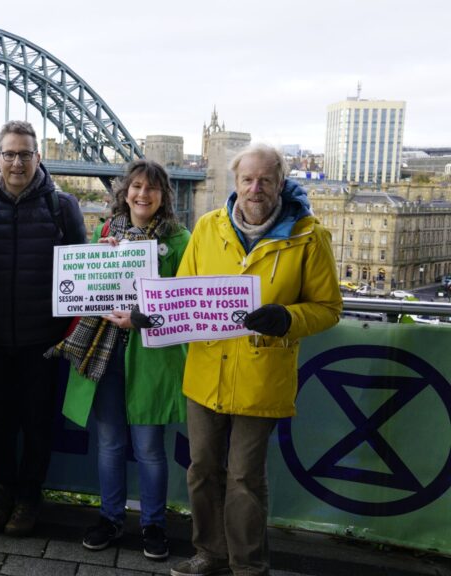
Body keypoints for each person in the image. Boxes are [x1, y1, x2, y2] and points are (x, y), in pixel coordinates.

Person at [170, 144, 341, 576]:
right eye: (247, 179)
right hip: (207, 370)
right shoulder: (208, 228)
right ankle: (210, 553)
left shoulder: (308, 235)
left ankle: (248, 566)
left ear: (281, 181)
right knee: (203, 469)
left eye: (265, 179)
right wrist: (147, 314)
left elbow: (328, 307)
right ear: (236, 183)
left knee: (245, 478)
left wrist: (287, 317)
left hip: (260, 374)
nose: (255, 188)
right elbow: (180, 292)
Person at [49, 160, 189, 558]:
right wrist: (99, 255)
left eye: (152, 189)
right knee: (109, 442)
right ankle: (110, 518)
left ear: (164, 197)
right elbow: (89, 287)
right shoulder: (106, 230)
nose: (142, 195)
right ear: (125, 191)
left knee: (148, 447)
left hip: (150, 355)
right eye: (136, 187)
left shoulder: (180, 240)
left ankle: (153, 525)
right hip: (106, 352)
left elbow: (184, 301)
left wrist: (143, 318)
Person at [0, 120, 87, 535]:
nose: (17, 162)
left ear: (39, 157)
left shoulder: (63, 206)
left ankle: (28, 497)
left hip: (44, 340)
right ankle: (1, 490)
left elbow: (84, 271)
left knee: (37, 423)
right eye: (9, 154)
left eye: (25, 154)